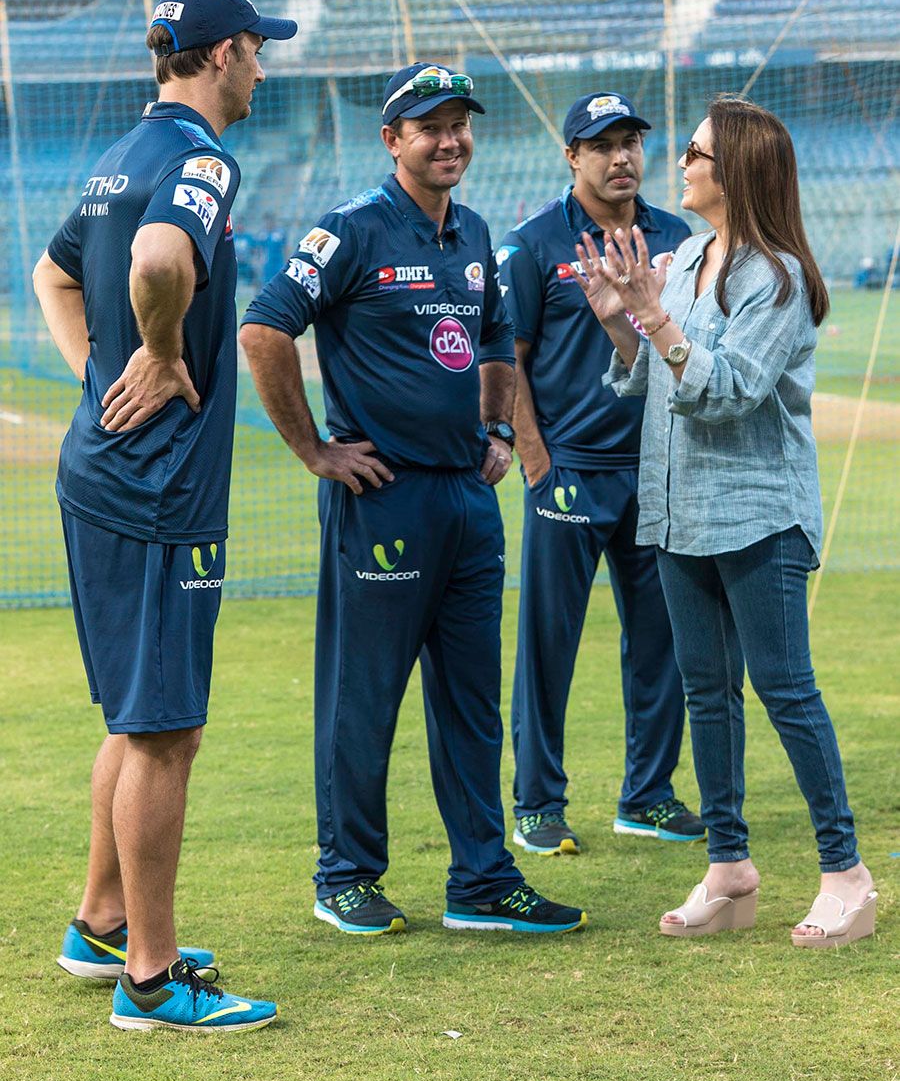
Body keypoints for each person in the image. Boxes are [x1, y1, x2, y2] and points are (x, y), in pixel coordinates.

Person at [240, 62, 585, 936]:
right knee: (365, 695)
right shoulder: (351, 229)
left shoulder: (473, 234)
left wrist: (500, 432)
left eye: (461, 123)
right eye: (430, 126)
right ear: (393, 140)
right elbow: (263, 327)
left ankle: (482, 881)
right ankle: (345, 876)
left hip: (468, 502)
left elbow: (499, 341)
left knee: (472, 701)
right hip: (383, 501)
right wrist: (315, 449)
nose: (451, 139)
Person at [32, 0, 298, 1031]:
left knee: (134, 717)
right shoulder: (201, 159)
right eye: (258, 48)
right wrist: (152, 350)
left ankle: (100, 926)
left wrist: (98, 378)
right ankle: (150, 981)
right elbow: (156, 258)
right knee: (167, 732)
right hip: (157, 489)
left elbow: (53, 275)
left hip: (106, 472)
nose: (264, 65)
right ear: (225, 53)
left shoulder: (116, 158)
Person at [575, 96, 876, 945]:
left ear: (735, 168)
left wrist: (655, 313)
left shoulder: (775, 276)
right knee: (706, 694)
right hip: (678, 513)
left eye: (698, 152)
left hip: (757, 518)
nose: (682, 163)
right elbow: (657, 381)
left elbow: (728, 389)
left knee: (785, 691)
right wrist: (621, 325)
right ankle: (729, 868)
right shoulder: (693, 257)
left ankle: (846, 875)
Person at [497, 91, 703, 855]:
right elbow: (507, 358)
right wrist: (536, 460)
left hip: (659, 471)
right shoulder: (532, 243)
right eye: (603, 144)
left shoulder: (676, 239)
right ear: (572, 156)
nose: (621, 157)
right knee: (549, 644)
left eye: (631, 142)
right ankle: (537, 804)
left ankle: (646, 796)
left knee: (665, 643)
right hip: (571, 473)